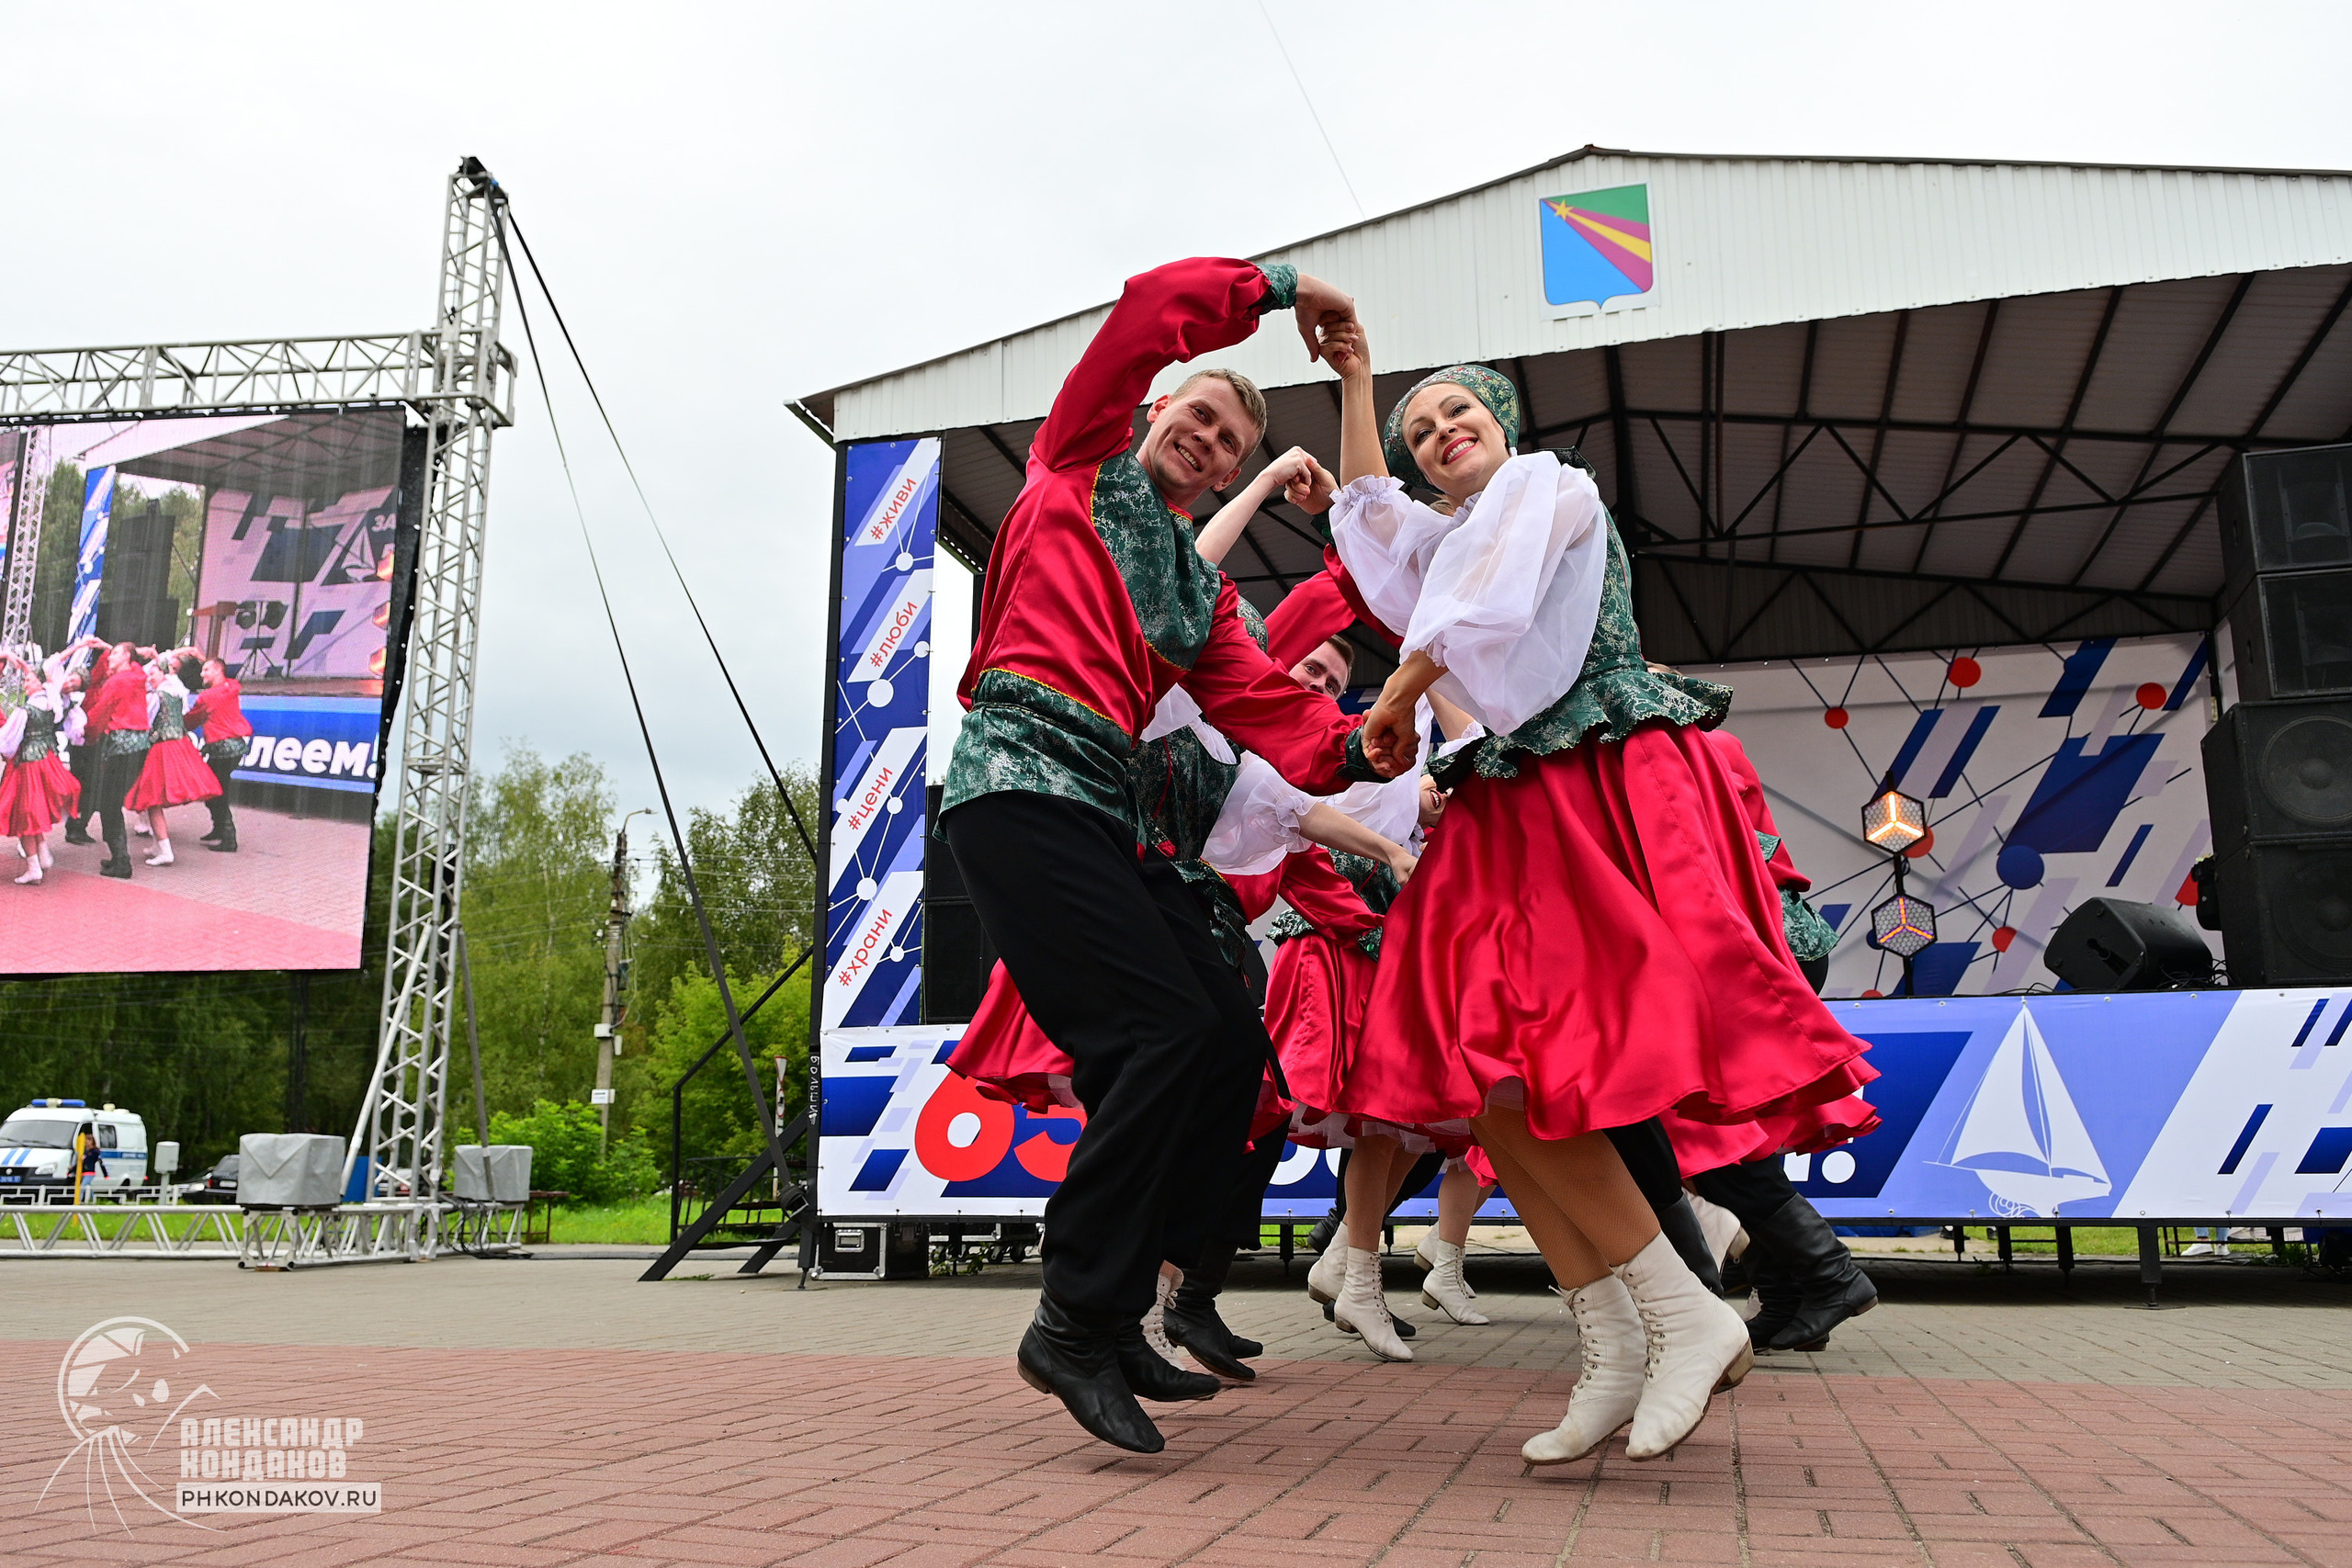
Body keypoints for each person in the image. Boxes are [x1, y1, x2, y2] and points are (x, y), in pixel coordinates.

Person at [1320, 326, 1875, 1466]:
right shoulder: (1452, 533)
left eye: (1456, 412)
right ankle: (1619, 1339)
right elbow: (1373, 520)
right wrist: (1357, 383)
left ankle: (1679, 1315)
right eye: (1419, 430)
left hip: (1587, 785)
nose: (1437, 434)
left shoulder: (1544, 483)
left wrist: (1398, 695)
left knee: (1533, 1066)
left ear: (1503, 423)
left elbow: (1481, 604)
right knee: (1482, 1082)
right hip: (1514, 798)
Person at [936, 254, 1405, 1455]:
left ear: (1229, 475)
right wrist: (1284, 288)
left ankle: (1138, 1302)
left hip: (1106, 809)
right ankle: (1072, 1321)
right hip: (1019, 779)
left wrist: (1369, 742)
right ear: (1153, 410)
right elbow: (1152, 310)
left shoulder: (1197, 601)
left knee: (1223, 1044)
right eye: (1197, 416)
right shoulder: (1077, 460)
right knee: (1155, 1032)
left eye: (1228, 441)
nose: (1207, 440)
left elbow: (1280, 715)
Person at [123, 650, 220, 865]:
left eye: (153, 674)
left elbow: (146, 723)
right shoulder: (176, 692)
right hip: (180, 745)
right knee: (155, 798)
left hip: (163, 749)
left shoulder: (156, 697)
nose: (149, 678)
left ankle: (165, 850)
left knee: (152, 800)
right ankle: (158, 845)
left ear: (163, 674)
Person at [0, 653, 82, 884]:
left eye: (28, 681)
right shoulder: (52, 705)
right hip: (46, 761)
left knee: (24, 813)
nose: (24, 684)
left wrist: (6, 754)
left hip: (27, 766)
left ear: (39, 682)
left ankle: (34, 866)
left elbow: (6, 743)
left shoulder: (24, 712)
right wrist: (25, 667)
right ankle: (42, 855)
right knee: (34, 811)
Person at [80, 643, 155, 880]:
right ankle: (117, 857)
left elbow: (101, 712)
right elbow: (137, 666)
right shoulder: (138, 676)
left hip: (120, 746)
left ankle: (121, 861)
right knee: (114, 802)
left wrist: (89, 734)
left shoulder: (116, 682)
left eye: (114, 653)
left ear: (126, 656)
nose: (109, 657)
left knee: (109, 805)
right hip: (139, 746)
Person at [186, 657, 251, 852]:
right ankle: (219, 829)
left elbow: (191, 720)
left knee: (216, 791)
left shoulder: (207, 697)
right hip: (235, 745)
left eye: (206, 670)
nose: (202, 674)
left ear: (218, 670)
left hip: (221, 746)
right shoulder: (232, 687)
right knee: (216, 789)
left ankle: (228, 836)